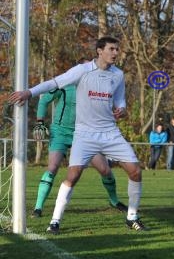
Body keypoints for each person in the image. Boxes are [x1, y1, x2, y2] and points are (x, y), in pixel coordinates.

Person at [10, 36, 147, 233]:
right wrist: (29, 92)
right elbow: (54, 83)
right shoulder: (82, 70)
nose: (116, 53)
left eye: (117, 49)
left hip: (110, 132)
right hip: (84, 135)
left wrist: (122, 109)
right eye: (112, 49)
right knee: (73, 175)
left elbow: (120, 100)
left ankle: (132, 217)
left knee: (135, 171)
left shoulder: (118, 75)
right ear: (100, 51)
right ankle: (55, 221)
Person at [30, 63, 127, 218]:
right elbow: (43, 100)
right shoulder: (64, 84)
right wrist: (40, 122)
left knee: (105, 169)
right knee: (53, 168)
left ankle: (114, 201)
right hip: (60, 132)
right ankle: (38, 208)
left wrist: (117, 112)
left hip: (85, 134)